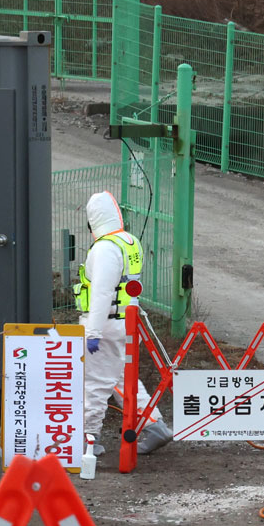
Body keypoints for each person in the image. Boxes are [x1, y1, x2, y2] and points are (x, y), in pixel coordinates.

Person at [75, 190, 173, 458]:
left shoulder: (105, 248)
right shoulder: (129, 242)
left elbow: (102, 293)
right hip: (126, 324)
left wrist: (92, 332)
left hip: (105, 327)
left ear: (92, 221)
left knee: (94, 384)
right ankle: (154, 425)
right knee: (122, 380)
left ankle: (88, 440)